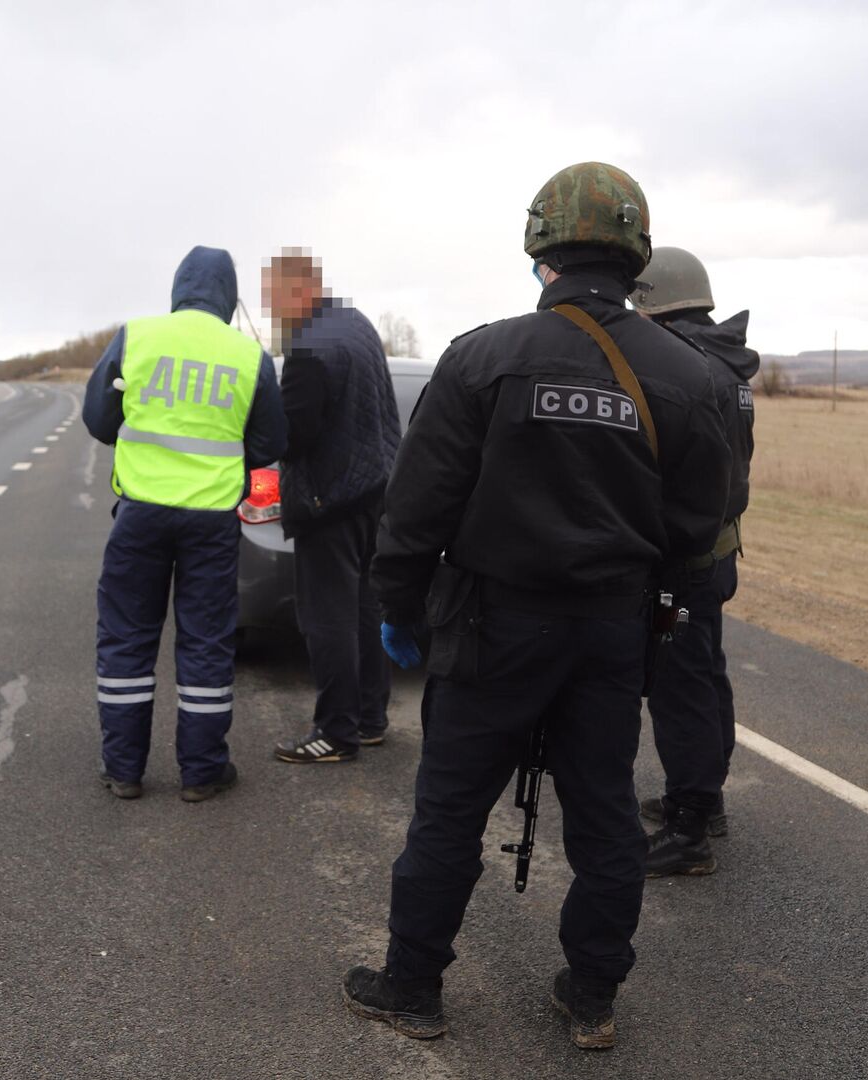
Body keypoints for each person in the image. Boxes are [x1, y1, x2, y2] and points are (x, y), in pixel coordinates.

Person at [341, 164, 731, 1050]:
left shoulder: (484, 355)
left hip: (491, 629)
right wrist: (659, 615)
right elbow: (698, 524)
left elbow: (419, 503)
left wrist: (395, 604)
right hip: (610, 631)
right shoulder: (686, 374)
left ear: (541, 249)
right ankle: (592, 994)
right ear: (634, 255)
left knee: (449, 809)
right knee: (603, 813)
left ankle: (411, 986)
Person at [82, 245, 286, 803]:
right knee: (206, 643)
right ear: (229, 296)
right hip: (211, 523)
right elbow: (271, 442)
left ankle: (123, 770)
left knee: (126, 638)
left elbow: (99, 420)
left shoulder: (138, 336)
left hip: (140, 515)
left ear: (178, 289)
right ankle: (202, 772)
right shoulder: (249, 356)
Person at [629, 247, 759, 876]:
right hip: (720, 549)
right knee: (705, 672)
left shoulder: (685, 369)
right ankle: (706, 803)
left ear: (655, 305)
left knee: (681, 687)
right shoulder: (727, 367)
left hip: (683, 558)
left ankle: (689, 829)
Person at [262, 249, 403, 764]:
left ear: (300, 290)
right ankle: (369, 719)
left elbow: (293, 437)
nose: (272, 309)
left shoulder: (308, 349)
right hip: (373, 494)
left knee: (327, 619)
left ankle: (336, 732)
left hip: (330, 500)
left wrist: (264, 421)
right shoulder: (357, 324)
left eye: (275, 297)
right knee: (363, 610)